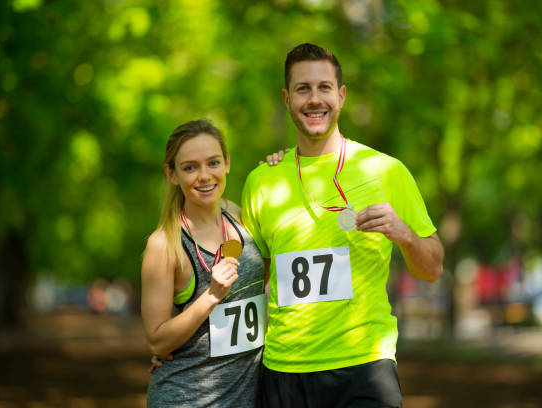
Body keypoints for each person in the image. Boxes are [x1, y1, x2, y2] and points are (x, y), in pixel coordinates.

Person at [241, 43, 444, 408]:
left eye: (324, 88)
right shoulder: (261, 181)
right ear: (286, 99)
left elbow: (432, 268)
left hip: (365, 367)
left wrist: (405, 235)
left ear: (342, 95)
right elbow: (249, 282)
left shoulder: (386, 170)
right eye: (303, 89)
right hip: (285, 370)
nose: (314, 99)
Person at [141, 119, 266, 407]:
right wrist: (210, 296)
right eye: (190, 167)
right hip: (187, 397)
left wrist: (276, 163)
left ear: (227, 163)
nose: (205, 176)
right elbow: (158, 341)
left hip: (246, 396)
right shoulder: (165, 244)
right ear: (171, 174)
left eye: (213, 163)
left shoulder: (238, 215)